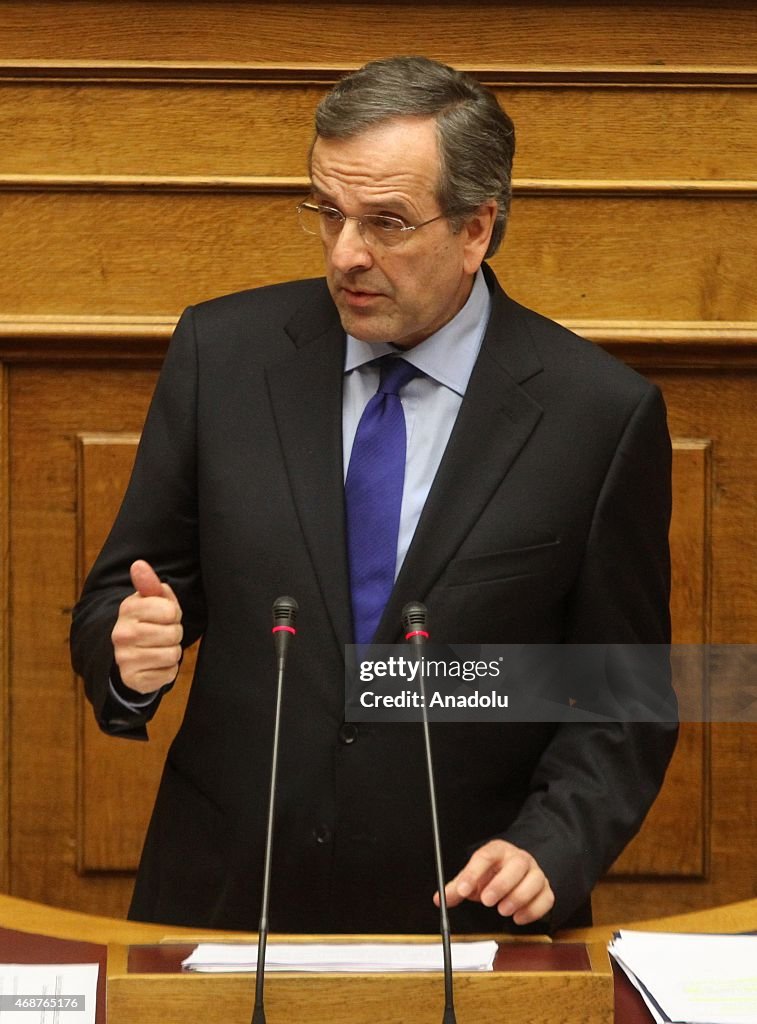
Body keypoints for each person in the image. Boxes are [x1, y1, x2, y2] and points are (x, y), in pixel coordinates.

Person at [70, 55, 677, 935]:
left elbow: (622, 696)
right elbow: (120, 600)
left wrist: (550, 844)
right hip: (228, 902)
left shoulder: (597, 415)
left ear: (476, 229)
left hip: (461, 914)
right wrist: (128, 653)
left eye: (387, 222)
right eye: (328, 212)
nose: (347, 253)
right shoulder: (223, 355)